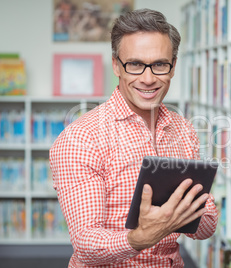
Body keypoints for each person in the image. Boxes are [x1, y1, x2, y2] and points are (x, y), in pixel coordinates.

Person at [50, 8, 218, 267]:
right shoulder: (81, 138)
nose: (148, 79)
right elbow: (86, 245)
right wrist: (140, 238)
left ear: (173, 67)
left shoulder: (184, 130)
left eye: (160, 64)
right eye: (136, 65)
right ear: (117, 65)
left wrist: (189, 214)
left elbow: (204, 230)